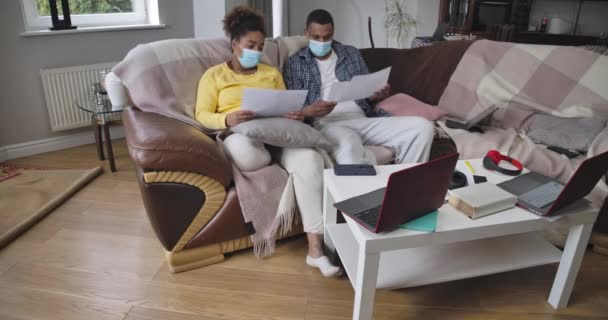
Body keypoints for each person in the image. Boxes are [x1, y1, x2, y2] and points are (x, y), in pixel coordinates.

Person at [194, 6, 340, 277]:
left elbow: (285, 103)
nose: (256, 51)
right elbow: (201, 114)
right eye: (251, 45)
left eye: (260, 46)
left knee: (311, 159)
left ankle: (316, 251)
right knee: (251, 156)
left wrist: (294, 113)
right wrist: (227, 119)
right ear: (235, 43)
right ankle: (269, 158)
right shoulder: (214, 76)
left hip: (276, 133)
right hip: (240, 133)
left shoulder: (270, 73)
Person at [283, 9, 435, 165]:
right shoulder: (296, 63)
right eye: (316, 37)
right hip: (327, 124)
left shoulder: (351, 54)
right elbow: (295, 110)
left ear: (333, 33)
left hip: (362, 119)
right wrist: (309, 111)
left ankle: (406, 185)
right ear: (306, 33)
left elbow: (366, 93)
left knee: (423, 128)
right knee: (349, 144)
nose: (322, 42)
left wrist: (375, 94)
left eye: (327, 37)